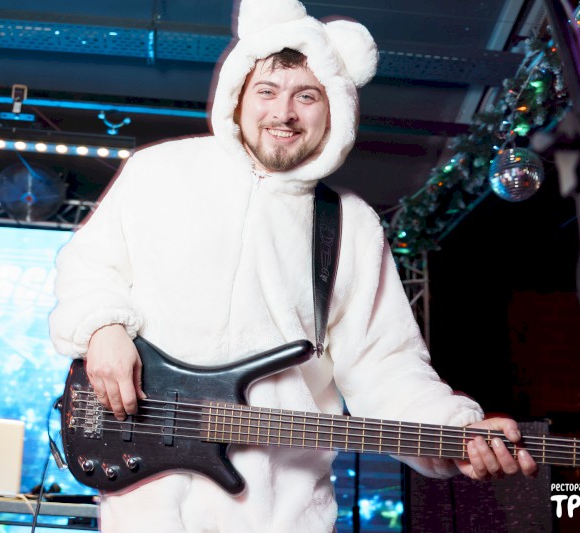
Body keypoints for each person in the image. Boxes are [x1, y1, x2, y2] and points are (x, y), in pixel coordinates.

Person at [48, 0, 538, 531]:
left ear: (336, 110)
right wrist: (102, 329)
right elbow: (89, 265)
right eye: (267, 91)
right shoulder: (158, 172)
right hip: (143, 508)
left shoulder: (350, 224)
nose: (283, 113)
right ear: (238, 95)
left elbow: (384, 364)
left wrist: (453, 431)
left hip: (280, 513)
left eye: (307, 96)